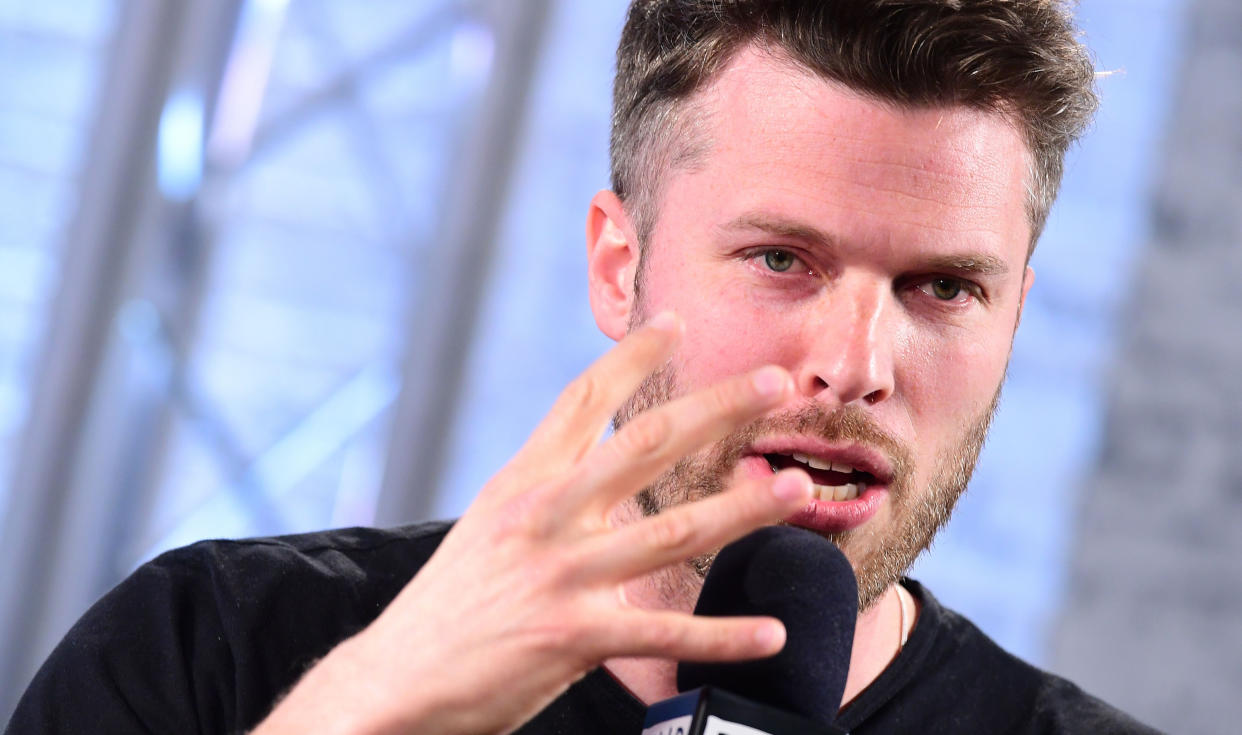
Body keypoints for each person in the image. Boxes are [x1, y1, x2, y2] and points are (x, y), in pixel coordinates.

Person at [7, 1, 1159, 733]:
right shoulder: (217, 647)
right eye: (780, 259)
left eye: (945, 289)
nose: (855, 367)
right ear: (620, 266)